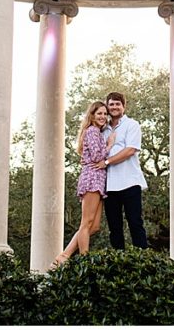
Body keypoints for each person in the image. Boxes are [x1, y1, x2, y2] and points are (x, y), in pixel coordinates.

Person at [52, 101, 116, 267]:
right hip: (92, 179)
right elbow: (96, 157)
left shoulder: (96, 132)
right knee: (86, 223)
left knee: (94, 226)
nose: (102, 117)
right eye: (99, 113)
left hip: (99, 181)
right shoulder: (93, 132)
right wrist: (109, 145)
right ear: (92, 115)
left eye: (104, 114)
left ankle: (65, 255)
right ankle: (84, 261)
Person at [98, 91, 148, 249]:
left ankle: (142, 260)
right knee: (114, 227)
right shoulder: (102, 129)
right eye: (111, 104)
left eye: (117, 104)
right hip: (110, 185)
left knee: (135, 222)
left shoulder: (132, 125)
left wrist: (106, 162)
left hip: (130, 181)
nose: (114, 107)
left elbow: (130, 150)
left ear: (123, 106)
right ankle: (119, 262)